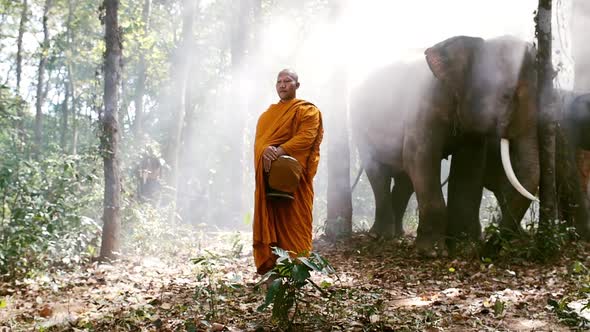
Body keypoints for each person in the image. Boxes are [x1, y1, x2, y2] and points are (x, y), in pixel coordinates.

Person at [252, 69, 324, 275]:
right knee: (271, 222)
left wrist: (278, 151)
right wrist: (265, 151)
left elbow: (306, 137)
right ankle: (273, 271)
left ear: (297, 85)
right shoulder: (266, 116)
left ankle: (297, 273)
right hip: (269, 183)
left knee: (297, 225)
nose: (282, 85)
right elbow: (259, 145)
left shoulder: (307, 111)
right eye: (279, 82)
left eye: (287, 81)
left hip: (296, 182)